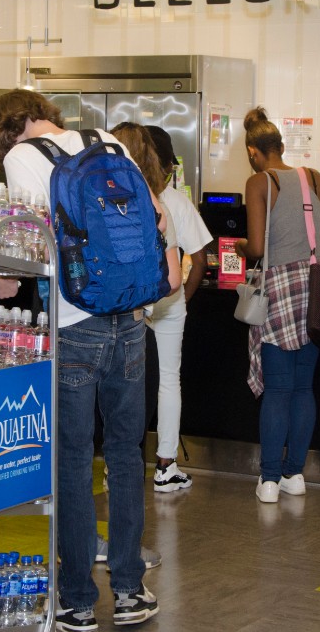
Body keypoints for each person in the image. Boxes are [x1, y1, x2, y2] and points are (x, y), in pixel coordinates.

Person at [0, 90, 177, 632]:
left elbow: (24, 254)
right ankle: (131, 590)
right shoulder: (106, 140)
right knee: (123, 456)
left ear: (10, 129)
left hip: (73, 324)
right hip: (131, 320)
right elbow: (156, 218)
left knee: (70, 461)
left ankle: (76, 601)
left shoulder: (22, 159)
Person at [234, 107, 320, 504]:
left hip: (278, 289)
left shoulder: (259, 181)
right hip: (314, 290)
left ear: (253, 150)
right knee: (303, 387)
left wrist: (241, 246)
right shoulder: (312, 177)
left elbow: (258, 247)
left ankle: (269, 480)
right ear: (280, 145)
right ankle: (296, 473)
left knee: (277, 389)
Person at [137, 125, 210, 493]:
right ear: (166, 164)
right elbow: (200, 260)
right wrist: (183, 299)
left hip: (132, 300)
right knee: (168, 378)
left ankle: (122, 463)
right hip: (168, 298)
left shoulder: (128, 195)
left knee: (129, 381)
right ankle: (165, 466)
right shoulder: (176, 200)